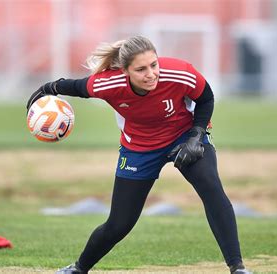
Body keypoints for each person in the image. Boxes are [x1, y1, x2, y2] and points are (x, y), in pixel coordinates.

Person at [26, 35, 251, 274]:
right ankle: (79, 268)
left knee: (212, 189)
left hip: (184, 137)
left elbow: (206, 98)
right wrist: (47, 89)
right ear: (125, 71)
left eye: (154, 65)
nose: (151, 74)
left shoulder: (179, 72)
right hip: (139, 148)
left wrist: (197, 135)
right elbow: (77, 87)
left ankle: (237, 268)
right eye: (141, 69)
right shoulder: (107, 85)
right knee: (119, 224)